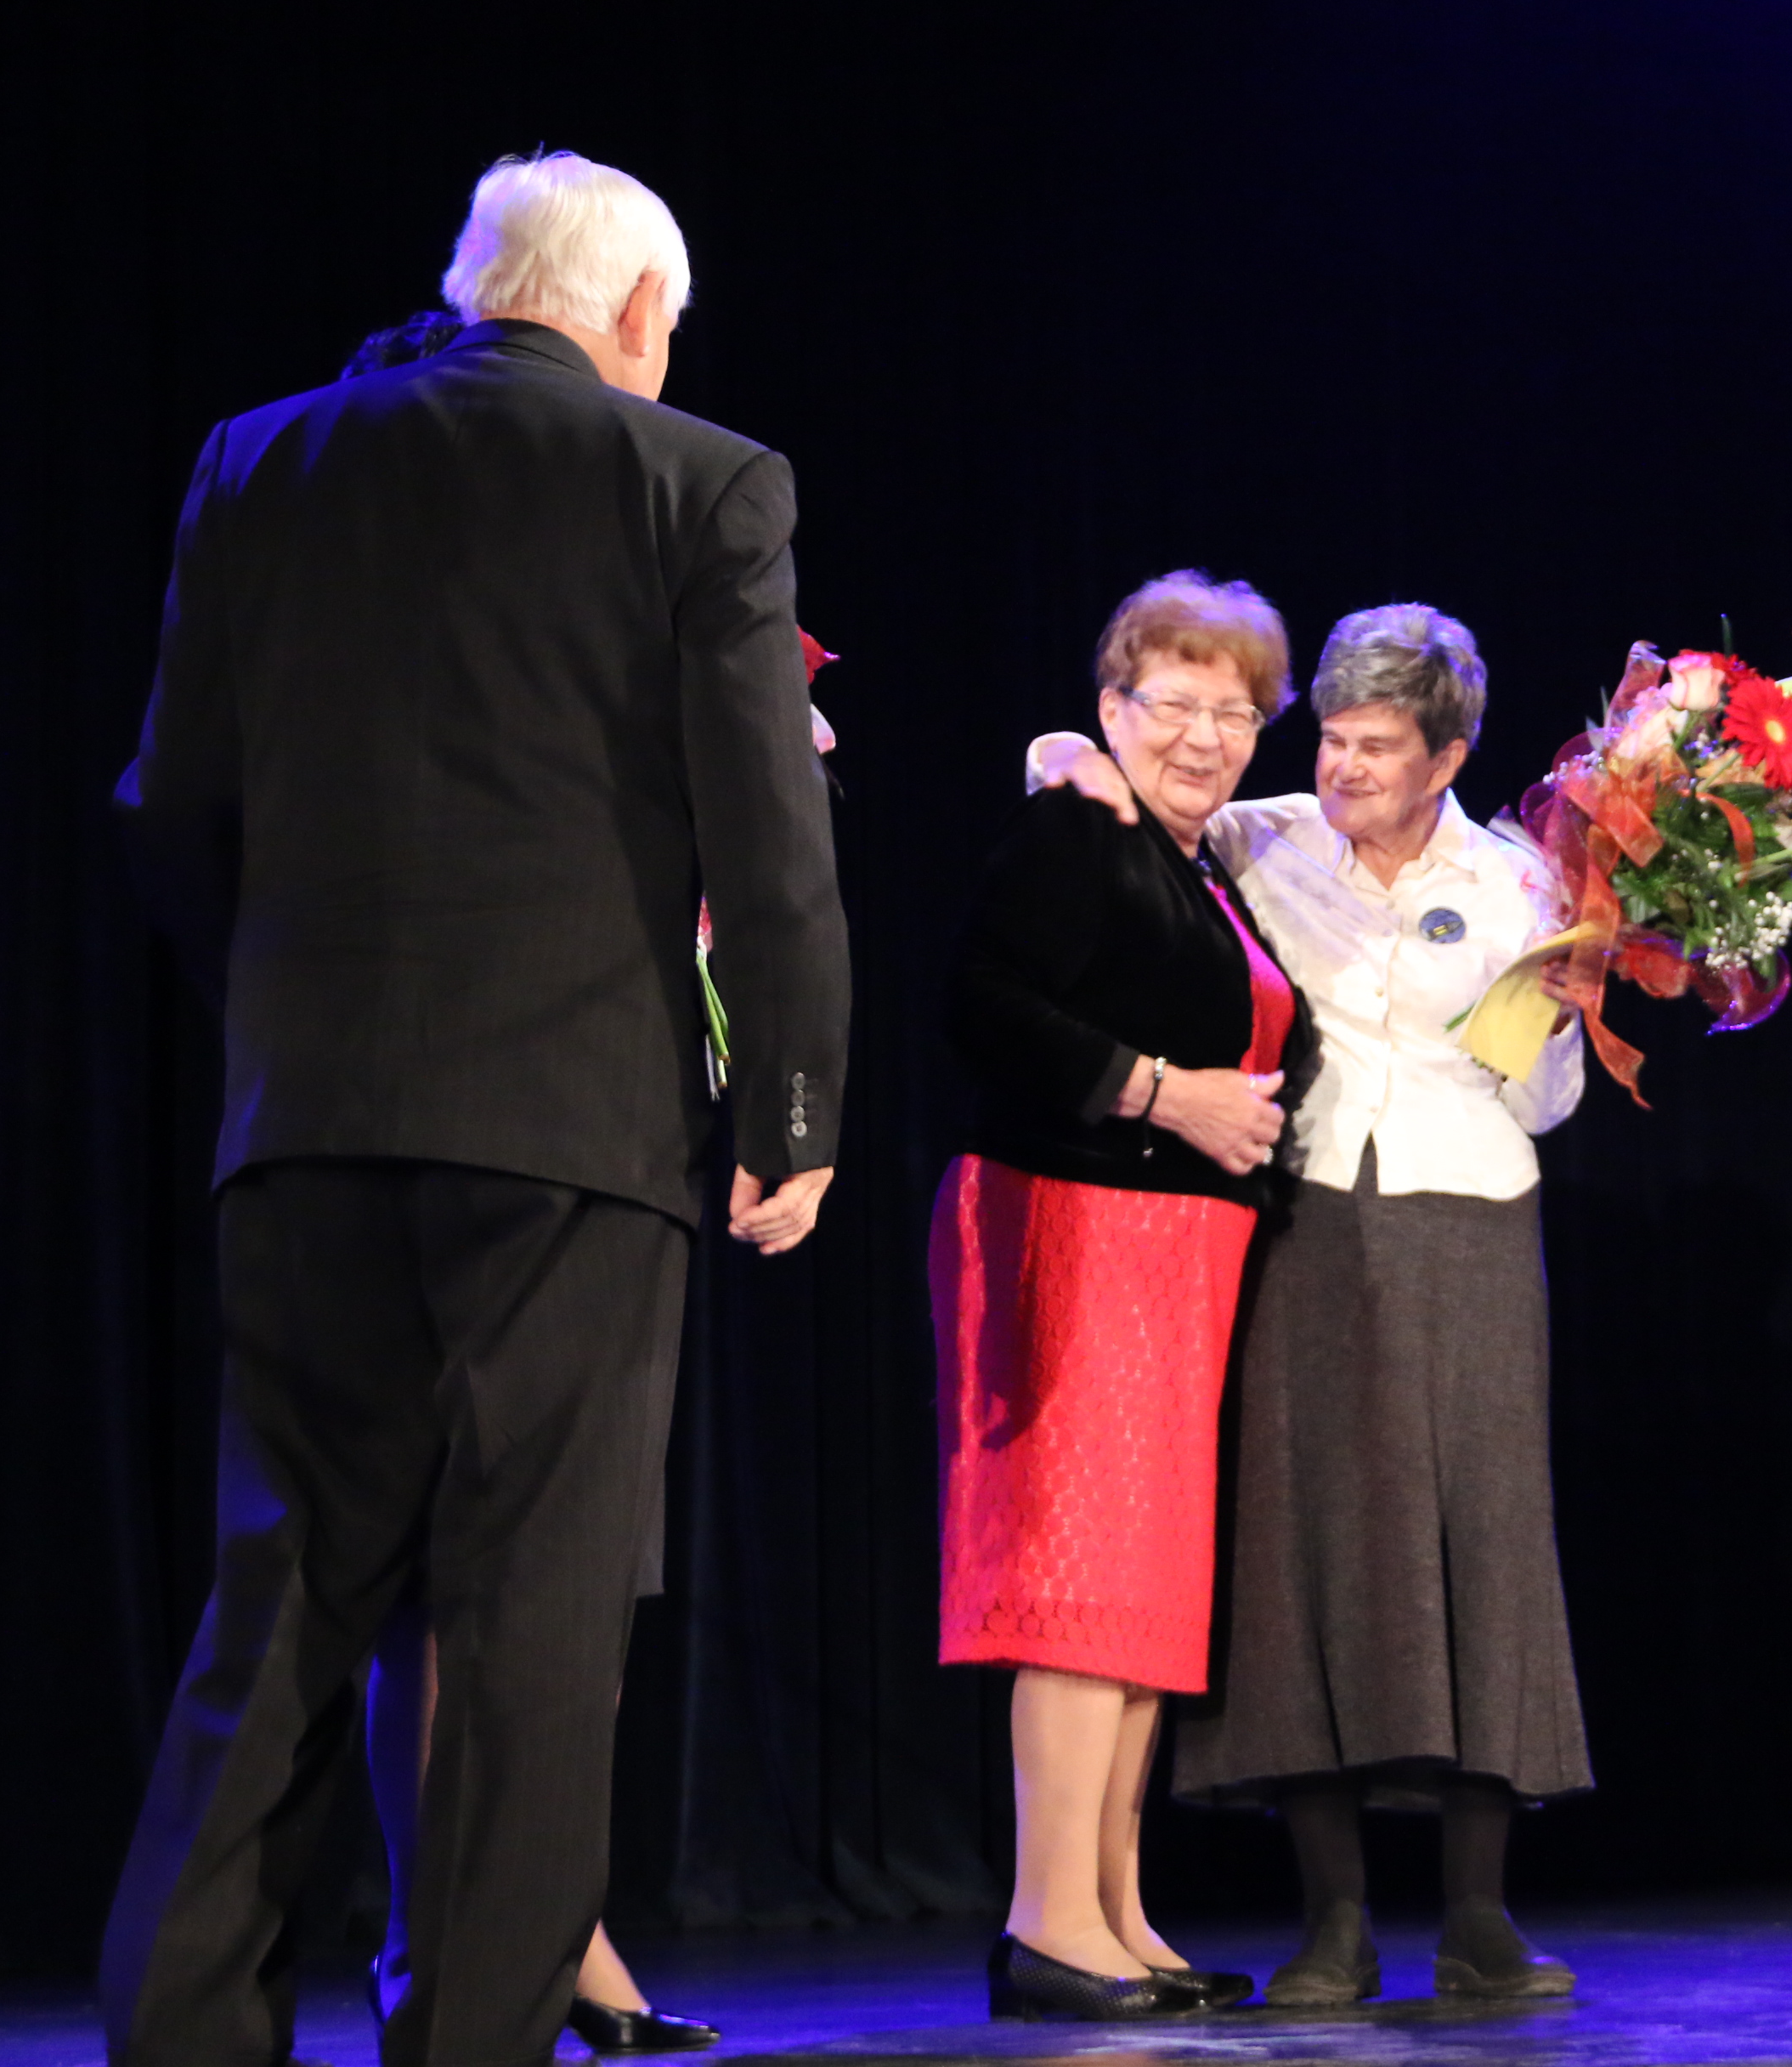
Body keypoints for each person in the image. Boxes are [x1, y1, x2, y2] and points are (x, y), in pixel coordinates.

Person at [104, 150, 847, 2067]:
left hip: (306, 1117)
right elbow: (768, 835)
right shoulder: (701, 478)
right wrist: (788, 1105)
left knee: (279, 1599)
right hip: (573, 1125)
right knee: (534, 1627)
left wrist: (284, 1021)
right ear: (639, 314)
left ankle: (182, 2036)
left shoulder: (261, 457)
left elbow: (170, 806)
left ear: (478, 283)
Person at [1033, 602, 1590, 2004]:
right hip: (1306, 1220)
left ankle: (1478, 1916)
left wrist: (1559, 1007)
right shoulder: (1256, 839)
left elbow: (1551, 1103)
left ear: (1447, 757)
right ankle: (1333, 1920)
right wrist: (1072, 759)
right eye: (1333, 739)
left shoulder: (1521, 879)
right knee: (1305, 1555)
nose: (1342, 767)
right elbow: (1077, 764)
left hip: (1474, 1218)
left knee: (1484, 1551)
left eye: (1378, 747)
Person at [331, 305, 725, 2058]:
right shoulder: (355, 618)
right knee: (427, 1583)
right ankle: (434, 1937)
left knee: (571, 1588)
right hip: (405, 1139)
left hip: (591, 1133)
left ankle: (557, 1930)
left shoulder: (607, 597)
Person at [937, 571, 1317, 2022]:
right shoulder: (1078, 828)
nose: (1206, 737)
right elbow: (983, 1004)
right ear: (1110, 708)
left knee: (1145, 1597)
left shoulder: (1200, 866)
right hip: (1076, 1221)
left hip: (1180, 1251)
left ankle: (1115, 1909)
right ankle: (1048, 1921)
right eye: (1174, 705)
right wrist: (1166, 1093)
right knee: (1077, 1581)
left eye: (1237, 713)